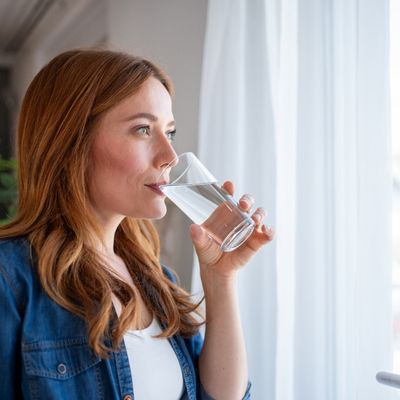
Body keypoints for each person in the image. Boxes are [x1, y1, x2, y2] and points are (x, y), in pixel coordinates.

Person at [0, 48, 274, 400]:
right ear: (71, 142)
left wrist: (220, 280)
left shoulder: (157, 281)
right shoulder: (12, 279)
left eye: (169, 132)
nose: (170, 156)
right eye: (143, 129)